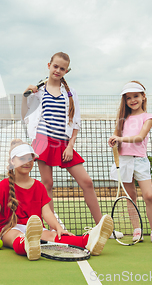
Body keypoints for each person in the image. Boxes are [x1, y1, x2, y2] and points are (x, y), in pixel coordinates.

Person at [0, 139, 114, 260]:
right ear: (12, 162)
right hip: (7, 229)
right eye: (22, 158)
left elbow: (47, 213)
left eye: (30, 158)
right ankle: (27, 245)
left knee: (53, 236)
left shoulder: (38, 186)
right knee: (17, 236)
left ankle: (89, 240)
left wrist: (57, 227)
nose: (27, 162)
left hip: (34, 227)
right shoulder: (4, 185)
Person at [21, 52, 104, 230]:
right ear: (49, 65)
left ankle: (101, 226)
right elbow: (26, 116)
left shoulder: (70, 93)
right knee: (47, 184)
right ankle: (53, 229)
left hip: (63, 144)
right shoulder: (38, 92)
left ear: (67, 71)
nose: (58, 70)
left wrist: (70, 146)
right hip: (43, 141)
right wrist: (25, 96)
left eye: (62, 68)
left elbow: (75, 122)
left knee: (87, 182)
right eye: (55, 66)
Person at [108, 81, 152, 244]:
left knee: (149, 196)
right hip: (124, 160)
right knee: (131, 197)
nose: (132, 100)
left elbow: (140, 137)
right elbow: (115, 139)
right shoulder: (122, 119)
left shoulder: (148, 117)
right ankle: (137, 230)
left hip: (140, 161)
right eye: (128, 98)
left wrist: (119, 138)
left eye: (136, 96)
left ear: (143, 97)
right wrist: (113, 141)